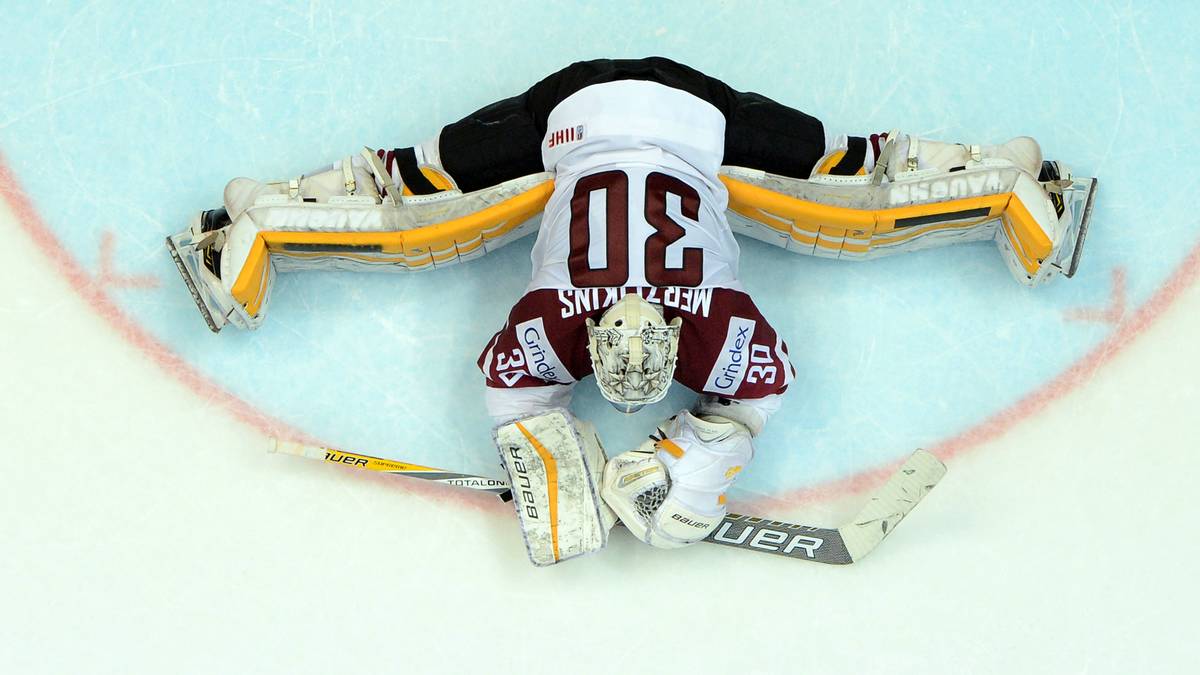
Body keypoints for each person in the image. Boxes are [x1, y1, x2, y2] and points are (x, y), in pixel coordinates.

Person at [166, 57, 1095, 564]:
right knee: (852, 175)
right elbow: (762, 382)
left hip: (577, 111)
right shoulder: (687, 320)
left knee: (415, 191)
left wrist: (560, 455)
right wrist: (704, 446)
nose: (638, 394)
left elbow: (509, 387)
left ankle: (254, 213)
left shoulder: (590, 316)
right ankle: (1014, 171)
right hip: (665, 112)